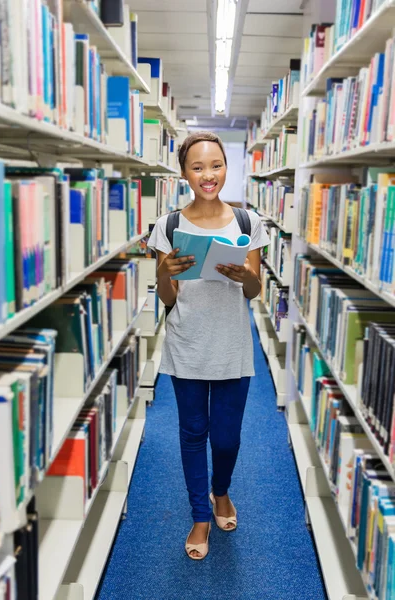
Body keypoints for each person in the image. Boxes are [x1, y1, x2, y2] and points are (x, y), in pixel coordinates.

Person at [147, 131, 269, 560]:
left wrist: (244, 277)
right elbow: (167, 298)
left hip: (233, 345)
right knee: (193, 433)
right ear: (183, 173)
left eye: (214, 165)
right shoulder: (168, 226)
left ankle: (222, 492)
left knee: (227, 437)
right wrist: (166, 273)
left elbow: (254, 292)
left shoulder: (248, 222)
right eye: (197, 167)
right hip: (187, 345)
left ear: (226, 167)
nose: (207, 174)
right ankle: (201, 514)